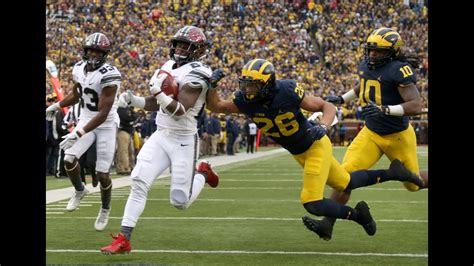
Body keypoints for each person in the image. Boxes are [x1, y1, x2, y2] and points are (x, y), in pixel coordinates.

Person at [205, 58, 424, 240]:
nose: (247, 90)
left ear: (268, 84)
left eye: (252, 86)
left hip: (314, 145)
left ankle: (357, 216)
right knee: (346, 182)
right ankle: (393, 173)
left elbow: (326, 106)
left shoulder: (287, 91)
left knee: (311, 202)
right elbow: (215, 106)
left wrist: (323, 125)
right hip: (299, 152)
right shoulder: (245, 100)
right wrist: (212, 86)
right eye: (245, 84)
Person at [100, 25, 219, 255]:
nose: (180, 49)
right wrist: (135, 100)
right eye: (179, 44)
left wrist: (158, 93)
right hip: (161, 134)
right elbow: (158, 103)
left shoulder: (200, 72)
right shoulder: (168, 66)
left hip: (183, 139)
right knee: (139, 181)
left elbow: (180, 109)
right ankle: (124, 238)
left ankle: (203, 172)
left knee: (179, 201)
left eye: (187, 46)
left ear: (198, 51)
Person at [323, 27, 428, 238]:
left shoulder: (399, 69)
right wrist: (343, 98)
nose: (372, 55)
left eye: (378, 51)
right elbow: (362, 85)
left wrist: (386, 109)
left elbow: (416, 105)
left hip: (398, 135)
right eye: (371, 50)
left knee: (412, 185)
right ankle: (328, 222)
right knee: (344, 176)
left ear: (392, 52)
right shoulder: (366, 65)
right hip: (371, 133)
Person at [45, 32, 120, 231]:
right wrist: (56, 106)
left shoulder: (110, 75)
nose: (94, 54)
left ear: (105, 54)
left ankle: (105, 208)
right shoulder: (78, 68)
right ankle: (80, 189)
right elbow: (77, 95)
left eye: (98, 51)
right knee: (69, 159)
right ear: (85, 51)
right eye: (91, 50)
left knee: (102, 173)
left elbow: (103, 113)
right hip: (86, 118)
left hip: (105, 124)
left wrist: (78, 133)